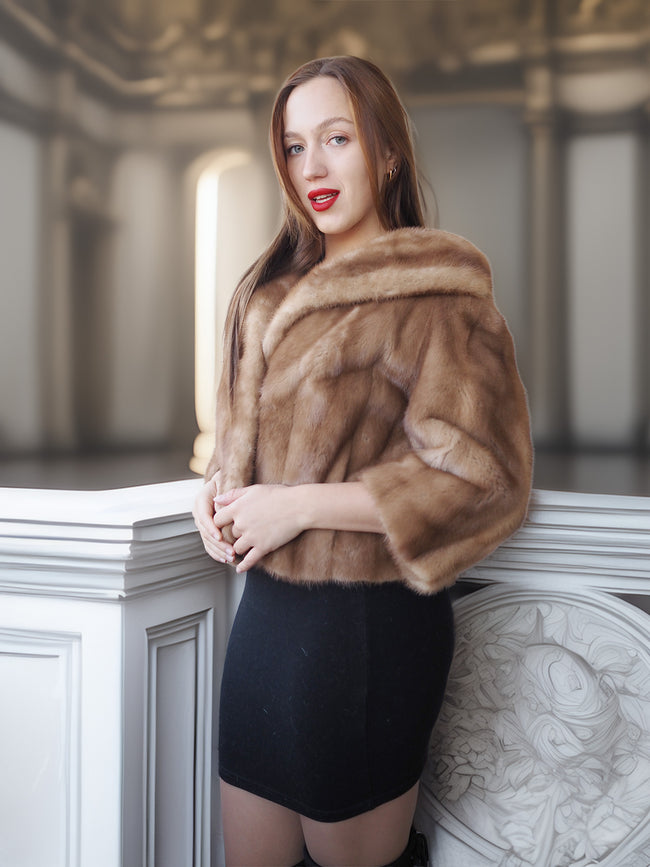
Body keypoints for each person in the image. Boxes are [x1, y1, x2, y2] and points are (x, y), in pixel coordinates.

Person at [193, 55, 532, 867]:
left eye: (337, 138)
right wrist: (214, 497)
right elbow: (239, 446)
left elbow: (485, 477)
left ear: (387, 154)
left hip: (369, 630)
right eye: (295, 146)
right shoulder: (264, 292)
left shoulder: (437, 292)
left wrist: (300, 504)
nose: (312, 166)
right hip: (265, 624)